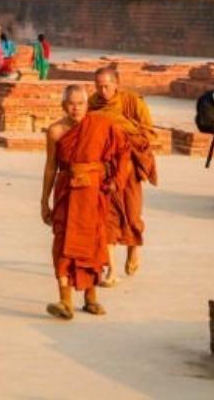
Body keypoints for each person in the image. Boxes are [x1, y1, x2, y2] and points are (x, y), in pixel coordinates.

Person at [41, 84, 125, 320]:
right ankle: (65, 299)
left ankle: (91, 298)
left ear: (87, 105)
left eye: (80, 103)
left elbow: (123, 152)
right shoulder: (55, 131)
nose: (76, 108)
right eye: (71, 103)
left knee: (94, 242)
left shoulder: (101, 125)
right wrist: (43, 201)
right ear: (63, 105)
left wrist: (115, 181)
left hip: (93, 192)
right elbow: (50, 168)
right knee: (63, 243)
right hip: (67, 190)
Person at [88, 66, 157, 282]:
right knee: (108, 216)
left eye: (107, 86)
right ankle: (111, 270)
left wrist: (122, 132)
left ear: (116, 84)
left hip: (129, 168)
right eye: (99, 86)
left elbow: (149, 134)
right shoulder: (92, 104)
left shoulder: (132, 102)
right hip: (105, 169)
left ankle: (133, 247)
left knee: (132, 212)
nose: (103, 91)